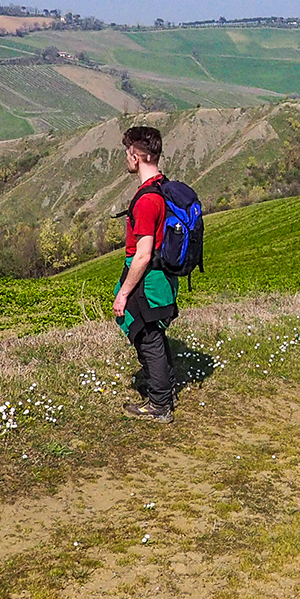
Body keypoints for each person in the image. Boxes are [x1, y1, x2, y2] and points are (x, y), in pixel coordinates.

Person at [115, 124, 181, 422]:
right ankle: (161, 387)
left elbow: (142, 255)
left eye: (128, 152)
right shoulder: (163, 188)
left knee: (147, 337)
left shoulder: (146, 200)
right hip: (163, 276)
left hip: (148, 279)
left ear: (135, 156)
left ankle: (159, 404)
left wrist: (124, 292)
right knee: (153, 335)